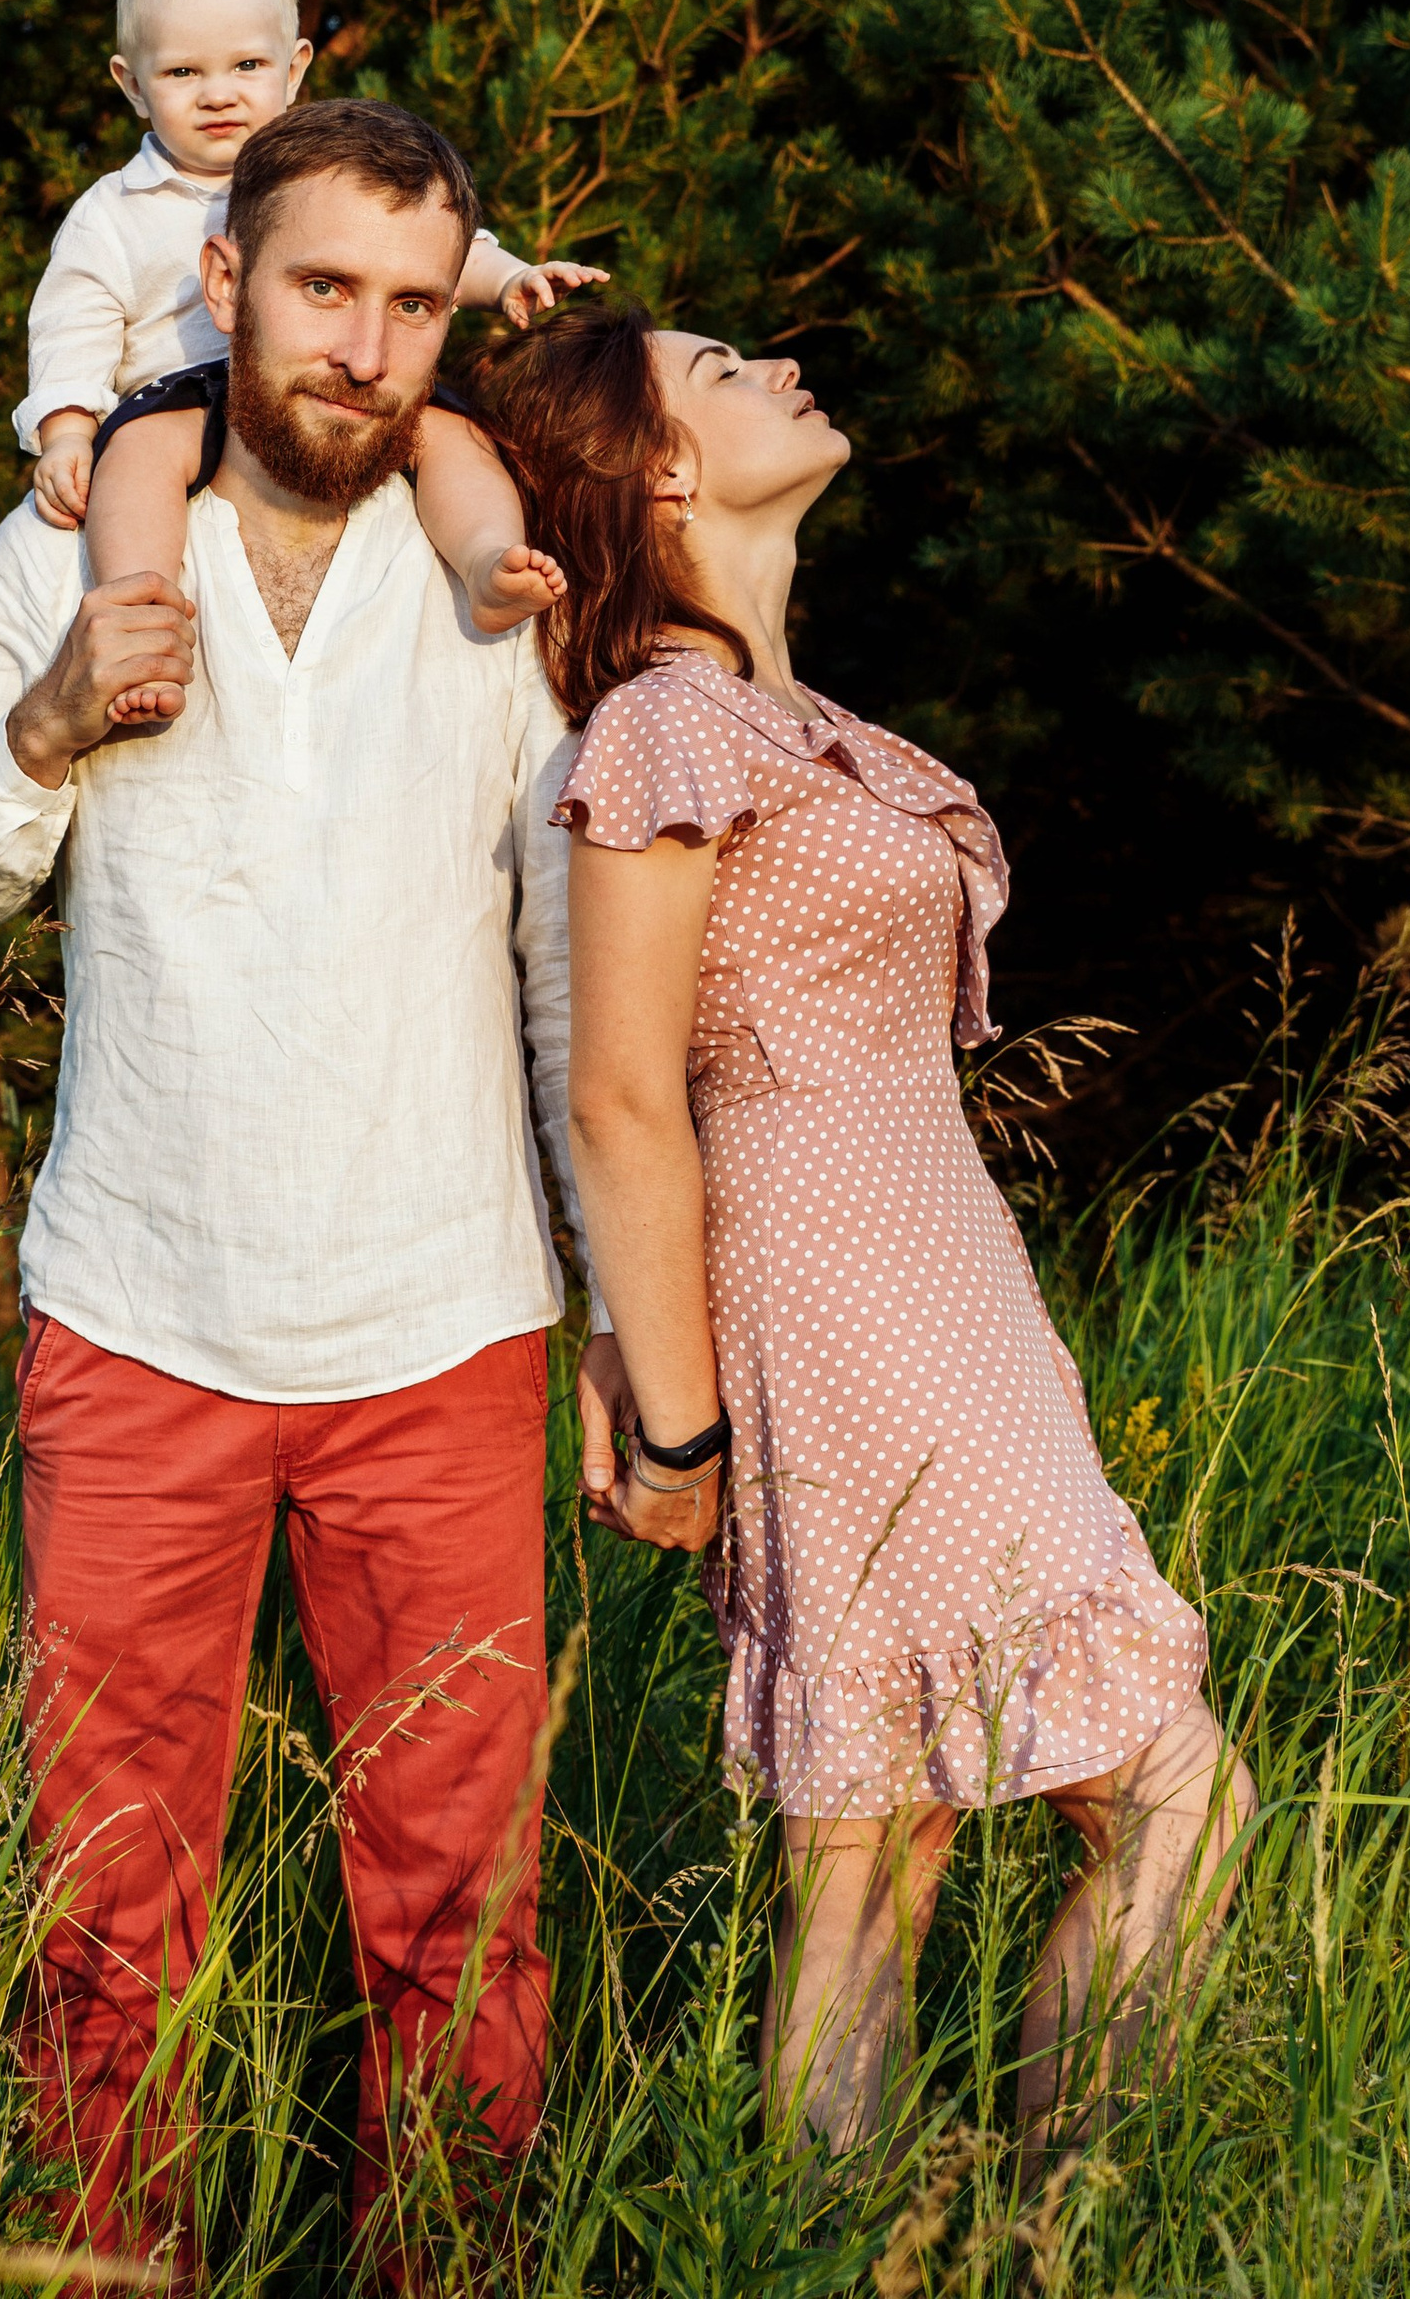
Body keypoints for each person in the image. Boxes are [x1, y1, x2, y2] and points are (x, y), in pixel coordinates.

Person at [0, 97, 593, 2272]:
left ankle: (447, 2271)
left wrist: (629, 1329)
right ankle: (99, 2270)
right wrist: (45, 736)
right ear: (222, 286)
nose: (361, 350)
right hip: (137, 1321)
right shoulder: (72, 549)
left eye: (405, 301)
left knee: (463, 1919)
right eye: (317, 291)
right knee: (105, 1897)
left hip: (443, 1323)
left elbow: (573, 975)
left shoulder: (500, 577)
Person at [475, 305, 1257, 2164]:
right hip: (835, 1287)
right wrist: (673, 1416)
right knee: (1157, 1803)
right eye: (723, 370)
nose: (782, 367)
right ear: (658, 470)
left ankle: (882, 2245)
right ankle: (1068, 2232)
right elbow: (624, 1093)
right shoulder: (663, 727)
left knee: (882, 1843)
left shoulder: (782, 715)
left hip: (938, 1266)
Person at [16, 0, 604, 710]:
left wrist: (507, 279)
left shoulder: (329, 171)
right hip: (182, 393)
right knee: (138, 463)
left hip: (319, 386)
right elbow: (72, 321)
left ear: (294, 69)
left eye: (247, 64)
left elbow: (432, 245)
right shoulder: (114, 212)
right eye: (184, 74)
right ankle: (140, 624)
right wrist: (68, 430)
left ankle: (486, 561)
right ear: (130, 83)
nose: (220, 93)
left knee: (454, 434)